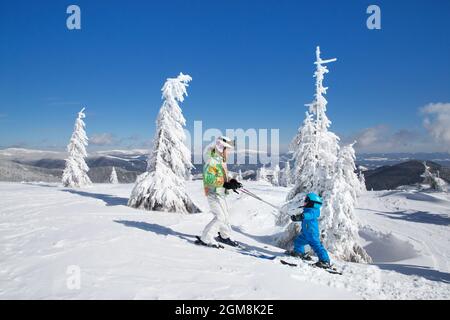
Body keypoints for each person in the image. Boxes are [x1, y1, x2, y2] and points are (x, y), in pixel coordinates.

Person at [198, 136, 242, 248]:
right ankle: (206, 238)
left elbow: (221, 175)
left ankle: (224, 236)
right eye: (228, 150)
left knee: (225, 216)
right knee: (220, 217)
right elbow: (209, 179)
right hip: (213, 192)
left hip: (220, 192)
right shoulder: (211, 160)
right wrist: (225, 184)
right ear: (221, 148)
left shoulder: (219, 160)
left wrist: (231, 181)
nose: (229, 153)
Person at [289, 193, 331, 269]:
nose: (304, 202)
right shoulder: (307, 210)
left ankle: (325, 261)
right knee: (298, 242)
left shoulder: (314, 211)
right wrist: (296, 218)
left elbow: (308, 216)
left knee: (317, 246)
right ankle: (299, 253)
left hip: (312, 234)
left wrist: (302, 216)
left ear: (311, 203)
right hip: (305, 233)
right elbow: (303, 218)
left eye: (306, 200)